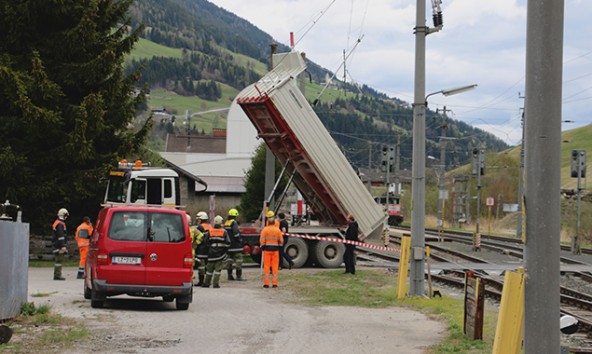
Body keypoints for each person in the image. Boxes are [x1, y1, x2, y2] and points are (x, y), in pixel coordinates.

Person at [202, 215, 231, 288]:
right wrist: (224, 251)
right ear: (221, 223)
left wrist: (210, 249)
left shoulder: (210, 231)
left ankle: (206, 283)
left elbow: (206, 242)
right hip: (220, 254)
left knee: (209, 270)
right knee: (218, 270)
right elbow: (228, 243)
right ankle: (215, 284)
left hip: (211, 253)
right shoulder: (224, 232)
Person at [259, 214, 284, 288]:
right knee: (275, 266)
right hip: (275, 250)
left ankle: (266, 283)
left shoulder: (265, 230)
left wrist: (262, 247)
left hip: (267, 250)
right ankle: (275, 283)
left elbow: (262, 239)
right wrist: (279, 246)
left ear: (268, 223)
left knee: (266, 266)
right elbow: (281, 240)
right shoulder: (277, 230)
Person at [224, 208, 245, 281]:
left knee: (229, 260)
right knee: (239, 260)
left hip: (228, 246)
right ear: (235, 216)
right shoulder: (234, 223)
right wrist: (240, 240)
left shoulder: (226, 222)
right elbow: (236, 233)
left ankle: (229, 275)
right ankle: (238, 276)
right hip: (236, 246)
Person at [194, 211, 212, 286]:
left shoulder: (200, 227)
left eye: (198, 219)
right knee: (208, 266)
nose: (197, 221)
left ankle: (201, 281)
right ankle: (207, 281)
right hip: (209, 250)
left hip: (201, 250)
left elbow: (198, 238)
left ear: (201, 219)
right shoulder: (210, 226)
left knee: (201, 266)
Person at [52, 208, 69, 280]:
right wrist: (63, 246)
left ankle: (57, 275)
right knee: (59, 260)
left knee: (58, 261)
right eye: (66, 215)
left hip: (56, 244)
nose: (67, 217)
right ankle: (57, 275)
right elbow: (61, 236)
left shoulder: (57, 223)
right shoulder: (60, 224)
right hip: (59, 245)